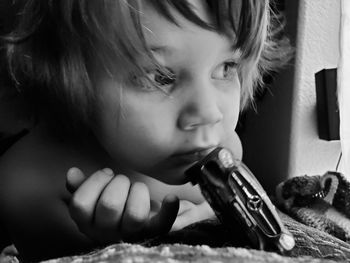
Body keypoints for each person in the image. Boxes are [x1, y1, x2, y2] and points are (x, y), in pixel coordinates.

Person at [0, 0, 290, 261]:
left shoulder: (222, 150)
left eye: (227, 68)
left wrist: (214, 223)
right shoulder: (28, 183)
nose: (209, 114)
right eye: (160, 76)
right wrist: (109, 248)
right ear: (65, 76)